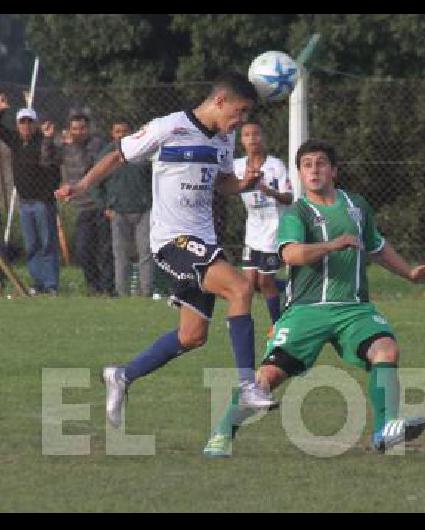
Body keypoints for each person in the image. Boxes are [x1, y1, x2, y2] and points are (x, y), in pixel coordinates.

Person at [55, 71, 279, 428]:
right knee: (240, 287)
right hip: (172, 240)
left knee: (192, 336)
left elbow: (221, 183)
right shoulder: (169, 127)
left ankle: (123, 376)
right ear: (219, 101)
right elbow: (118, 156)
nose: (241, 120)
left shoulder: (225, 137)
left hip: (202, 241)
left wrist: (241, 184)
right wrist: (81, 184)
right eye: (239, 111)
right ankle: (247, 385)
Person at [202, 139, 425, 458]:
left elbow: (375, 246)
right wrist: (331, 246)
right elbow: (290, 254)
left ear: (334, 170)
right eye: (307, 165)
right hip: (307, 311)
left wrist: (409, 273)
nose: (314, 170)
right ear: (300, 173)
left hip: (354, 309)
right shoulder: (298, 212)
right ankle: (222, 432)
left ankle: (386, 429)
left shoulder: (356, 205)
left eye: (320, 163)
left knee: (385, 349)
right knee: (270, 375)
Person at [43, 113, 113, 295]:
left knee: (105, 250)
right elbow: (47, 160)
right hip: (82, 207)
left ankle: (108, 287)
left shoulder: (97, 145)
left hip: (100, 203)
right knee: (83, 249)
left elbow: (95, 165)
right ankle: (93, 286)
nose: (78, 132)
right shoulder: (66, 147)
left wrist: (79, 147)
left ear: (88, 129)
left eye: (82, 128)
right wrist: (49, 139)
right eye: (74, 129)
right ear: (69, 129)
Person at [234, 121, 293, 335]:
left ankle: (278, 323)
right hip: (253, 231)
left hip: (273, 231)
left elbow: (289, 198)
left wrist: (270, 192)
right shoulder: (237, 166)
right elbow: (226, 185)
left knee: (265, 281)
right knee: (248, 283)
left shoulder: (275, 166)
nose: (252, 139)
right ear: (241, 140)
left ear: (263, 138)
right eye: (247, 135)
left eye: (256, 134)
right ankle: (240, 322)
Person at [0, 93, 61, 294]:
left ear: (35, 124)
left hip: (42, 202)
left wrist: (48, 138)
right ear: (17, 125)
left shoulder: (42, 143)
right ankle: (38, 283)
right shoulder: (16, 142)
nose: (26, 126)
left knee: (47, 244)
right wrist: (2, 110)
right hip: (25, 202)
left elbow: (52, 166)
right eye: (22, 122)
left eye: (29, 122)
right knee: (32, 245)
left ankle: (51, 284)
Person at [90, 118, 154, 297]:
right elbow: (95, 184)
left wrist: (152, 203)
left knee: (146, 252)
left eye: (124, 131)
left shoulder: (143, 152)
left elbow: (155, 180)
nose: (121, 135)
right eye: (117, 131)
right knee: (121, 255)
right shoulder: (106, 154)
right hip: (117, 211)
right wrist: (105, 206)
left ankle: (146, 292)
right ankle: (122, 293)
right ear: (112, 133)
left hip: (144, 210)